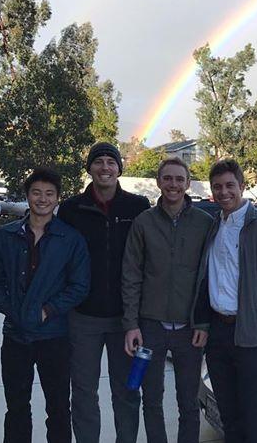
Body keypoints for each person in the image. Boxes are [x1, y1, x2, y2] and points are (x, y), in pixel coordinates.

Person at [192, 159, 257, 443]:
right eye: (217, 187)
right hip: (219, 332)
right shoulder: (215, 225)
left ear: (242, 186)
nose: (223, 192)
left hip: (253, 336)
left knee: (255, 416)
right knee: (229, 413)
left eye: (229, 185)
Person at [0, 168, 90, 443]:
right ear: (27, 196)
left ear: (57, 199)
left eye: (49, 194)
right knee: (16, 406)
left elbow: (79, 286)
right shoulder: (6, 235)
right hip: (15, 335)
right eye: (36, 192)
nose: (42, 199)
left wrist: (47, 310)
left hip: (53, 336)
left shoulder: (70, 239)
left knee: (58, 408)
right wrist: (12, 309)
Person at [57, 142, 150, 443]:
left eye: (112, 161)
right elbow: (58, 259)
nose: (105, 167)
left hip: (126, 320)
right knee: (83, 392)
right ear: (90, 168)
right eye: (99, 161)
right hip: (83, 318)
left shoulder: (137, 207)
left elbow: (148, 259)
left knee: (126, 391)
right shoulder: (71, 209)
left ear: (120, 168)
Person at [122, 157, 213, 443]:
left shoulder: (205, 224)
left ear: (188, 184)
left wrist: (204, 323)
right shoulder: (143, 223)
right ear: (159, 182)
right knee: (151, 400)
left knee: (189, 403)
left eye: (179, 179)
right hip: (150, 328)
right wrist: (131, 324)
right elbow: (131, 275)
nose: (173, 184)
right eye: (168, 178)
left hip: (190, 331)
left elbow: (211, 277)